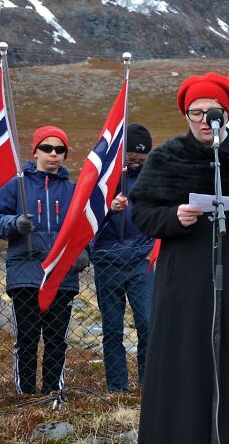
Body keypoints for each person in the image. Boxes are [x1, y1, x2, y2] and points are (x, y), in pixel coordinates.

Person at [129, 73, 229, 443]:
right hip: (183, 283)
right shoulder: (167, 158)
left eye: (213, 112)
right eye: (197, 113)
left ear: (227, 114)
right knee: (184, 362)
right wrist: (173, 218)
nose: (205, 120)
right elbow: (141, 213)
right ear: (186, 116)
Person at [0, 125, 88, 395]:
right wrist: (15, 223)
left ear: (65, 155)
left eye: (59, 149)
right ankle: (26, 394)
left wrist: (83, 250)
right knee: (28, 338)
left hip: (61, 276)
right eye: (47, 148)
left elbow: (83, 227)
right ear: (36, 151)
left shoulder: (74, 190)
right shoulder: (16, 185)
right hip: (25, 272)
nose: (53, 154)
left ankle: (53, 393)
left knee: (57, 339)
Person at [90, 123, 156, 393]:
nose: (136, 163)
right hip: (107, 261)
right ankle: (117, 387)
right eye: (131, 157)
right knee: (113, 329)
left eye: (142, 158)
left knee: (148, 324)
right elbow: (88, 217)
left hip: (142, 260)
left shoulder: (152, 179)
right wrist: (109, 208)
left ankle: (148, 383)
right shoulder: (104, 178)